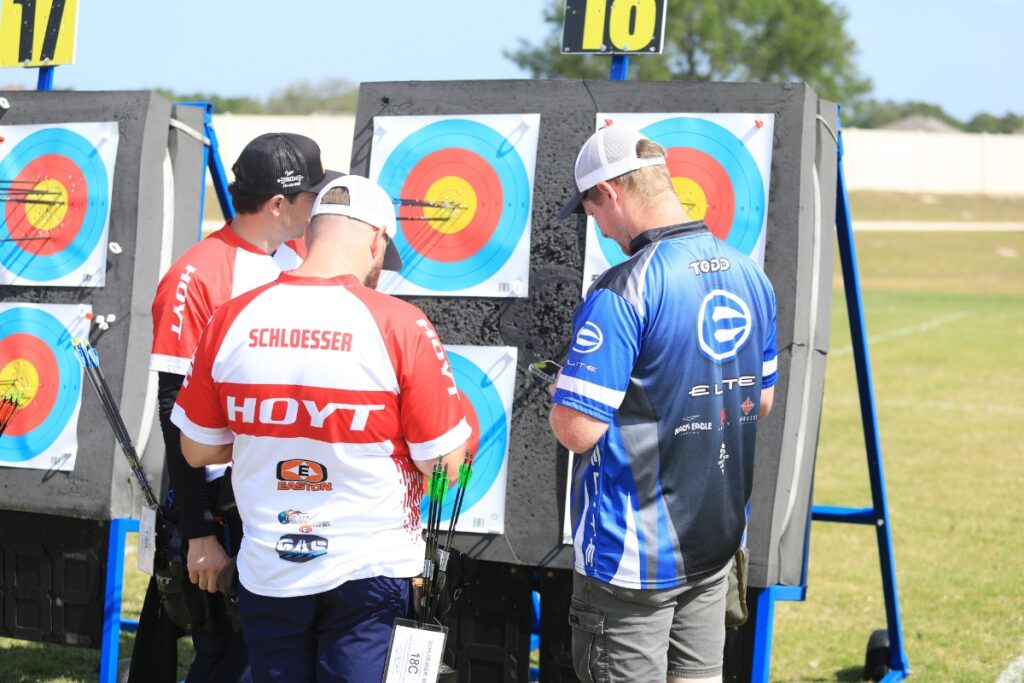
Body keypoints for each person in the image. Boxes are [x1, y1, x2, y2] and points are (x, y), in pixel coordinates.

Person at [171, 174, 472, 682]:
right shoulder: (400, 323)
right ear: (376, 241)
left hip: (269, 564)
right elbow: (444, 464)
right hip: (369, 573)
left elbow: (197, 449)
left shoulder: (231, 318)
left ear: (308, 235)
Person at [548, 125, 778, 683]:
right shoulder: (750, 272)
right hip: (714, 543)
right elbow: (761, 400)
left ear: (610, 193)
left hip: (635, 558)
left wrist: (565, 386)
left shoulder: (623, 288)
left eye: (591, 212)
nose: (599, 228)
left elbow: (578, 431)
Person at [132, 133, 340, 683]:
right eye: (311, 195)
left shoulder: (297, 259)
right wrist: (199, 531)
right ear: (278, 205)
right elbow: (173, 408)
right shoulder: (196, 274)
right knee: (228, 658)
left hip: (287, 497)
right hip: (223, 509)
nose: (318, 206)